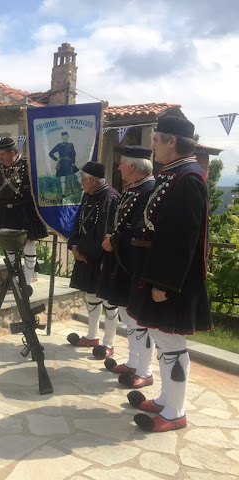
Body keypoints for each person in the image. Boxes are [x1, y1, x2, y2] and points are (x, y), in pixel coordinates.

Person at [126, 116, 213, 433]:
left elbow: (183, 239)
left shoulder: (187, 178)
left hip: (174, 280)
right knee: (164, 340)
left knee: (172, 342)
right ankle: (166, 398)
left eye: (156, 139)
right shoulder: (174, 174)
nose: (153, 145)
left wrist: (164, 284)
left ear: (172, 141)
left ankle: (175, 412)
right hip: (161, 272)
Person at [96, 146, 156, 386]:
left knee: (139, 321)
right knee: (127, 316)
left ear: (132, 166)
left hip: (136, 262)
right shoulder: (133, 189)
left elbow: (140, 230)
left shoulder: (149, 191)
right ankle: (133, 362)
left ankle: (145, 371)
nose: (119, 167)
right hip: (123, 261)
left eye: (121, 163)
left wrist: (113, 241)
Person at [0, 137, 48, 286]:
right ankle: (15, 281)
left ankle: (27, 282)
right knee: (10, 246)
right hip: (6, 213)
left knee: (29, 243)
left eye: (2, 154)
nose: (0, 157)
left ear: (13, 153)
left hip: (25, 212)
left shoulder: (28, 168)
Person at [66, 162, 121, 357]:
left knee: (108, 300)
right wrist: (74, 245)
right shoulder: (89, 196)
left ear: (93, 180)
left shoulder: (110, 198)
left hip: (102, 257)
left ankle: (108, 343)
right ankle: (92, 336)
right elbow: (78, 223)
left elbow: (102, 231)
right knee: (91, 295)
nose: (81, 183)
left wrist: (82, 249)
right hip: (86, 255)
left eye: (83, 179)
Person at [49, 131, 79, 197]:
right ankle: (63, 194)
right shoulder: (59, 145)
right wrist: (56, 159)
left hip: (70, 163)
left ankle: (82, 190)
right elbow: (50, 153)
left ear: (68, 137)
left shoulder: (71, 145)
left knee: (78, 174)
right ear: (62, 137)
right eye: (63, 136)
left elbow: (73, 154)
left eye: (66, 136)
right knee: (62, 179)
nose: (65, 137)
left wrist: (73, 162)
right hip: (62, 163)